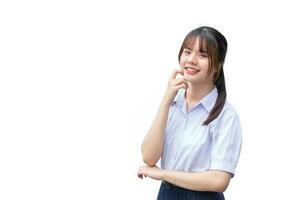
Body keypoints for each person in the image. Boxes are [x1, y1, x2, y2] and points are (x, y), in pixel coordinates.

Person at [137, 26, 242, 200]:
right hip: (166, 195)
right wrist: (165, 101)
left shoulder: (225, 115)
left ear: (218, 65)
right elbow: (149, 157)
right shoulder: (173, 104)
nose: (191, 60)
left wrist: (164, 174)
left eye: (203, 55)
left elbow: (219, 180)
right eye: (187, 52)